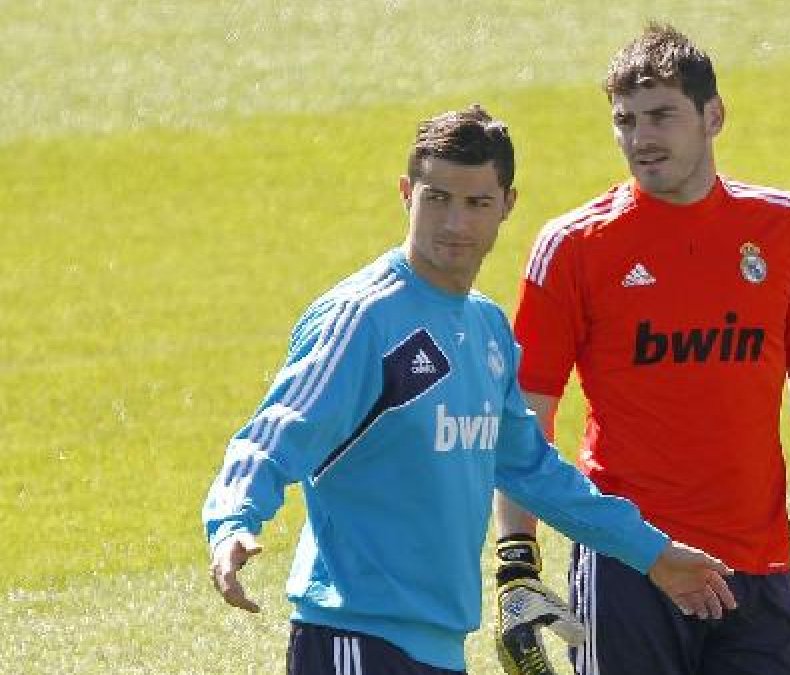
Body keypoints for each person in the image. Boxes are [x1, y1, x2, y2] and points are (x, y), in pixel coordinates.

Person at [202, 104, 738, 675]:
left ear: (507, 204)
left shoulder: (485, 329)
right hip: (353, 634)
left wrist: (649, 553)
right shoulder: (363, 319)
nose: (455, 224)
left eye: (477, 203)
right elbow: (275, 434)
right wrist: (234, 521)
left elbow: (533, 471)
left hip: (441, 643)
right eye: (438, 199)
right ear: (407, 194)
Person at [492, 25, 790, 675]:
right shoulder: (573, 247)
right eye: (625, 120)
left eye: (660, 116)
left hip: (757, 567)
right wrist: (517, 562)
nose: (640, 138)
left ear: (713, 116)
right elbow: (525, 413)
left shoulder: (788, 230)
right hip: (627, 566)